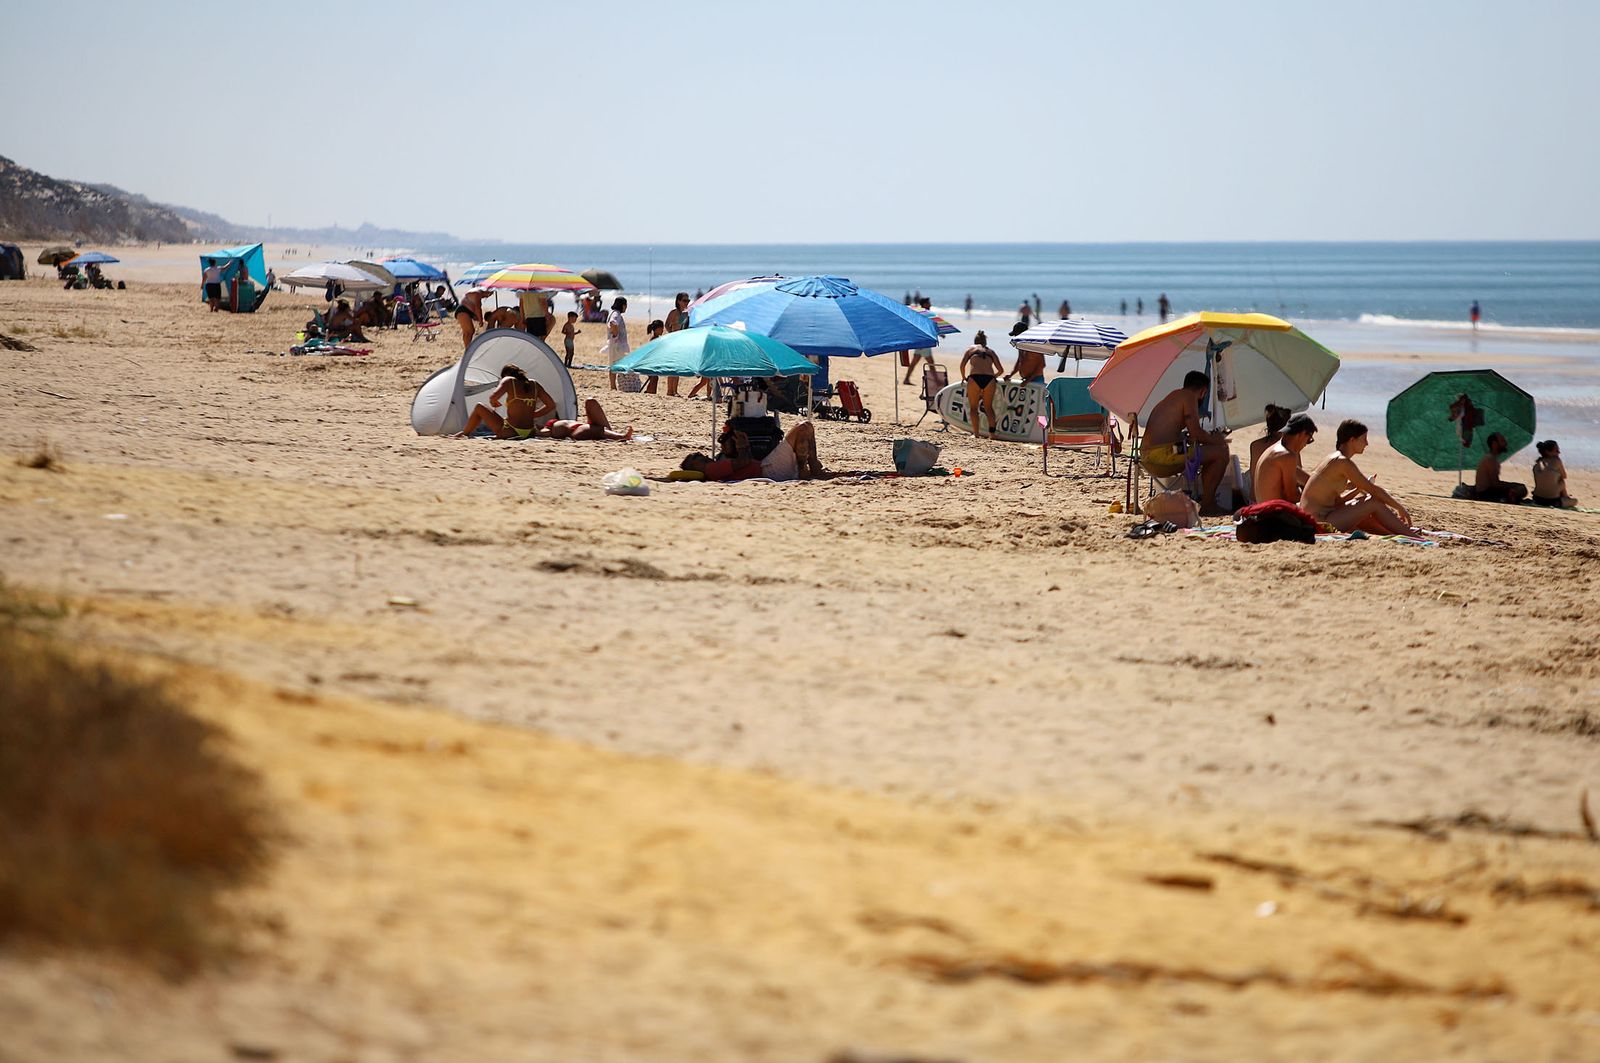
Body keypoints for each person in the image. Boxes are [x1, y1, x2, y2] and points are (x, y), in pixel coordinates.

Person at [1301, 420, 1419, 533]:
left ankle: (1397, 531)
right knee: (1373, 501)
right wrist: (1400, 508)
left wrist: (1357, 489)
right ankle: (1414, 537)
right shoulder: (1342, 462)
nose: (1366, 443)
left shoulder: (1334, 458)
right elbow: (1374, 490)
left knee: (1365, 503)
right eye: (1364, 439)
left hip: (1317, 518)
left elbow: (1336, 502)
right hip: (1319, 522)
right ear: (1352, 440)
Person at [1141, 370, 1231, 516]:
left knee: (1207, 451)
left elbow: (1179, 433)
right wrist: (1218, 440)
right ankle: (1208, 504)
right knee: (1222, 452)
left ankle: (1207, 501)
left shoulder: (1175, 396)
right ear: (1203, 391)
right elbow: (1196, 432)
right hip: (1161, 457)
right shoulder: (1189, 397)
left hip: (1148, 456)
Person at [680, 421, 825, 482]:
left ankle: (813, 468)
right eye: (697, 457)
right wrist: (743, 447)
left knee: (806, 428)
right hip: (769, 470)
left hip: (767, 468)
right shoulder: (711, 469)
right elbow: (744, 461)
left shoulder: (715, 467)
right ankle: (804, 470)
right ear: (694, 467)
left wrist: (744, 446)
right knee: (804, 427)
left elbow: (743, 463)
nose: (703, 455)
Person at [454, 365, 557, 440]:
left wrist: (494, 402)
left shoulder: (508, 380)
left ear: (505, 376)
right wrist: (533, 414)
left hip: (511, 431)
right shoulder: (534, 384)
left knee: (479, 407)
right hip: (530, 431)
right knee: (505, 419)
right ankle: (465, 433)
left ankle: (465, 433)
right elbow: (551, 405)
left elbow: (493, 397)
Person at [1251, 413, 1316, 504]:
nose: (1305, 445)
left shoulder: (1274, 449)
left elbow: (1303, 477)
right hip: (1274, 513)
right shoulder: (1287, 456)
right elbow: (1292, 497)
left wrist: (1318, 482)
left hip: (1262, 507)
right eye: (1308, 440)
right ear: (1301, 434)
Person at [959, 330, 1004, 439]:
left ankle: (976, 434)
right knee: (989, 407)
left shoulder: (970, 349)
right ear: (985, 342)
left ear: (975, 341)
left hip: (974, 378)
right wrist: (994, 377)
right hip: (989, 379)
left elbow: (962, 365)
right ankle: (992, 434)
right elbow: (1000, 370)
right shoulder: (991, 352)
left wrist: (964, 377)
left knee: (974, 408)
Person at [1247, 404, 1293, 497]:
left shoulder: (1255, 445)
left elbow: (1253, 475)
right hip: (1274, 504)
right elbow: (1294, 479)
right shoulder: (1288, 449)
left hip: (1254, 501)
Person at [542, 398, 633, 441]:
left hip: (581, 426)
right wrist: (536, 430)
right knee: (597, 430)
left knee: (590, 401)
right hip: (575, 431)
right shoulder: (548, 427)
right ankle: (621, 437)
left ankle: (611, 433)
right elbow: (543, 433)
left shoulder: (555, 420)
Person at [1473, 432, 1528, 503]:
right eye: (1502, 441)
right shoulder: (1490, 459)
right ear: (1494, 444)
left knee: (1520, 488)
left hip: (1485, 491)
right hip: (1485, 493)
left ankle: (1511, 496)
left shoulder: (1491, 458)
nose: (1505, 443)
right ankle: (1509, 497)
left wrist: (1513, 485)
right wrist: (1513, 486)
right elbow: (1495, 483)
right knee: (1521, 489)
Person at [1531, 440, 1578, 508]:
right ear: (1547, 452)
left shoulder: (1537, 464)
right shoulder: (1556, 461)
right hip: (1552, 501)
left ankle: (1565, 497)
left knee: (1554, 478)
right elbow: (1564, 476)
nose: (1559, 452)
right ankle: (1566, 497)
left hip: (1537, 499)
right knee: (1575, 500)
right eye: (1556, 450)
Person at [662, 292, 691, 396]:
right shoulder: (674, 313)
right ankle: (670, 390)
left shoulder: (686, 314)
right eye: (684, 300)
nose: (687, 302)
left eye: (688, 300)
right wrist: (671, 333)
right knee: (672, 367)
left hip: (682, 341)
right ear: (678, 301)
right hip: (673, 341)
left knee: (677, 367)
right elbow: (666, 324)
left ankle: (675, 390)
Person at [603, 297, 629, 390]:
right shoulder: (616, 314)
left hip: (614, 343)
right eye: (625, 305)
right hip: (616, 344)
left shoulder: (613, 313)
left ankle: (613, 386)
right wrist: (615, 335)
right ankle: (613, 386)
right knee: (615, 364)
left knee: (613, 364)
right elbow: (613, 323)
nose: (626, 308)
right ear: (622, 305)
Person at [642, 320, 668, 393]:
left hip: (653, 361)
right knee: (654, 377)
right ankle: (650, 391)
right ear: (656, 329)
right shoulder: (654, 339)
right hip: (651, 362)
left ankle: (650, 391)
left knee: (654, 377)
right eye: (661, 328)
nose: (662, 330)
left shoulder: (656, 338)